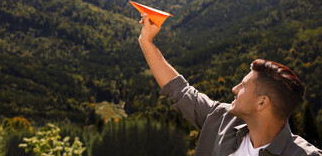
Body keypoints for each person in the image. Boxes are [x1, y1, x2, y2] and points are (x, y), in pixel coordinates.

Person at [138, 13, 322, 156]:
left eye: (243, 86)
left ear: (262, 102)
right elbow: (179, 90)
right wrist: (146, 42)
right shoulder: (221, 119)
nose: (234, 89)